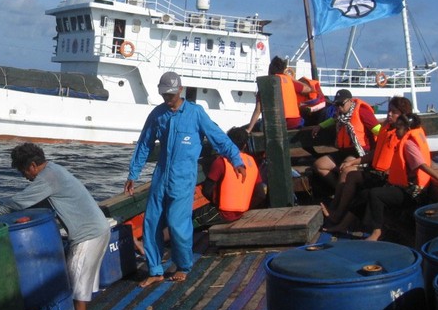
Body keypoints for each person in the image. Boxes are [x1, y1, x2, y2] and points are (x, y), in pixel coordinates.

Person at [0, 142, 109, 310]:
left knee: (76, 285)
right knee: (79, 282)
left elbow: (21, 202)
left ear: (33, 166)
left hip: (87, 235)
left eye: (23, 171)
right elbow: (35, 200)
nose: (24, 177)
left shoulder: (48, 178)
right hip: (97, 229)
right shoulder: (54, 171)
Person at [124, 71, 245, 287]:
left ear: (180, 90)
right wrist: (133, 173)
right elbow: (144, 145)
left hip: (183, 178)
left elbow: (218, 138)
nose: (167, 98)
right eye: (164, 94)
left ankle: (183, 266)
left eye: (170, 94)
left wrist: (236, 159)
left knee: (178, 224)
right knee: (151, 222)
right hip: (161, 177)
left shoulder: (196, 113)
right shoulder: (157, 115)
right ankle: (155, 270)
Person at [326, 112, 438, 241]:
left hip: (413, 192)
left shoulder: (408, 144)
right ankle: (343, 225)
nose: (396, 131)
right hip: (401, 186)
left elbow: (421, 165)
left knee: (376, 194)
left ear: (407, 129)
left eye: (399, 128)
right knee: (364, 194)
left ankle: (377, 232)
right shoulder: (402, 140)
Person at [321, 96, 410, 227]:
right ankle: (336, 211)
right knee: (348, 171)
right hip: (376, 171)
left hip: (387, 177)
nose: (389, 114)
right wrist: (353, 162)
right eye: (389, 110)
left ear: (403, 115)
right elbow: (376, 153)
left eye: (394, 112)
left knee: (355, 182)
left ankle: (337, 214)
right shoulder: (386, 129)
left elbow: (406, 161)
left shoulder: (403, 135)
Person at [310, 89, 381, 189]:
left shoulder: (362, 111)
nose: (339, 107)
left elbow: (379, 130)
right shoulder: (341, 115)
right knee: (319, 165)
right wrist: (320, 126)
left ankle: (342, 198)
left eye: (341, 104)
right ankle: (338, 190)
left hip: (360, 152)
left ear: (350, 101)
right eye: (336, 104)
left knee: (345, 168)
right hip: (344, 150)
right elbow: (333, 120)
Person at [201, 126, 265, 224]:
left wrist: (217, 203)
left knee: (182, 223)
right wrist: (245, 206)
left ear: (227, 142)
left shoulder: (222, 161)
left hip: (222, 213)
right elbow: (261, 194)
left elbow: (206, 190)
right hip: (242, 211)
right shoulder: (251, 161)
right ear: (244, 145)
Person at [245, 56, 312, 133]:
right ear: (283, 70)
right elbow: (308, 89)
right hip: (293, 122)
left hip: (276, 124)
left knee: (260, 125)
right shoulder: (289, 81)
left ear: (270, 69)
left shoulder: (265, 83)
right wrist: (293, 79)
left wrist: (249, 129)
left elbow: (258, 110)